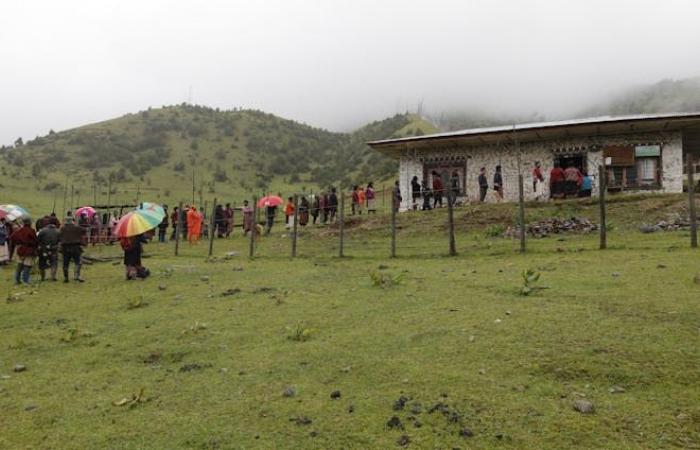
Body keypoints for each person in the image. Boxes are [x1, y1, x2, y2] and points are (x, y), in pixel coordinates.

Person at [10, 218, 38, 285]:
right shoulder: (32, 230)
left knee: (19, 266)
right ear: (29, 223)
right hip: (29, 250)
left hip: (21, 250)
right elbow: (35, 241)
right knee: (27, 266)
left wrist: (18, 243)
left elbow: (12, 237)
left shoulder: (19, 230)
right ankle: (25, 281)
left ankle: (17, 280)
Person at [59, 216, 85, 283]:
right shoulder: (77, 228)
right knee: (78, 262)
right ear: (72, 221)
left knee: (65, 264)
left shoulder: (62, 229)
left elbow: (59, 236)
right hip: (76, 247)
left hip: (65, 248)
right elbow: (84, 231)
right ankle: (77, 276)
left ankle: (66, 278)